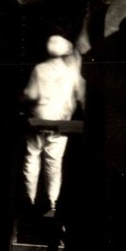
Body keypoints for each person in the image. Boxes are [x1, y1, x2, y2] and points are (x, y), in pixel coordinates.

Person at [20, 33, 85, 213]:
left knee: (32, 157)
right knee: (54, 163)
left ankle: (30, 199)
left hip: (39, 119)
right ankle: (52, 203)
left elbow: (31, 95)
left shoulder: (39, 69)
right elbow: (80, 97)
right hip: (60, 122)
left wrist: (22, 98)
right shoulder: (71, 72)